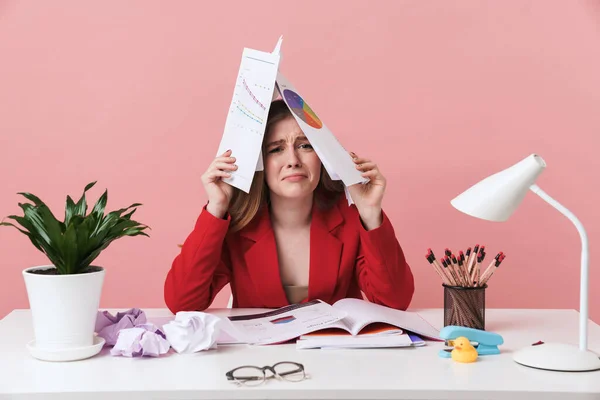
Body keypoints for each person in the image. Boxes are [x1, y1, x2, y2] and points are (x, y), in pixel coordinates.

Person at [164, 99, 414, 312]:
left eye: (305, 146)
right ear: (258, 162)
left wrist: (370, 212)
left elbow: (394, 302)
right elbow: (182, 303)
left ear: (322, 156)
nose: (293, 160)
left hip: (339, 362)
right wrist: (216, 207)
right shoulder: (237, 228)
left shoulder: (350, 220)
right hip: (259, 363)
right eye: (276, 149)